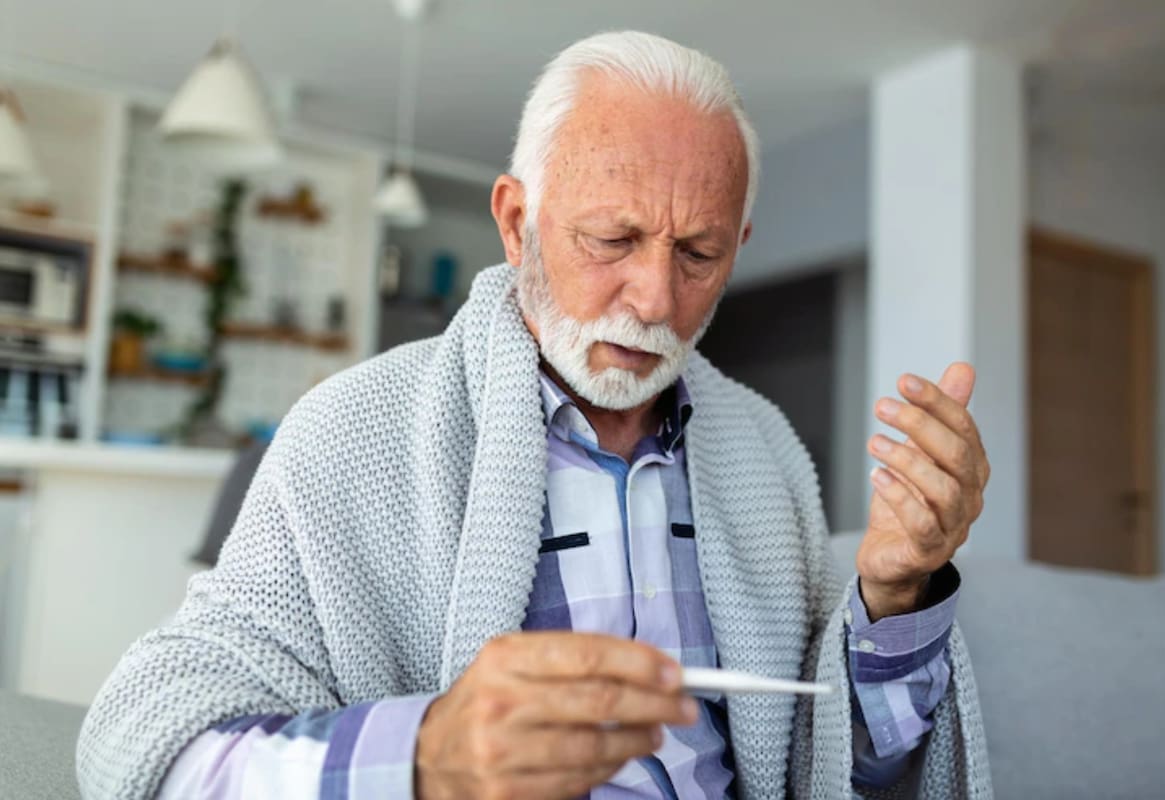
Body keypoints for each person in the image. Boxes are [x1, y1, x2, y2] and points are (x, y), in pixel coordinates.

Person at [78, 31, 991, 800]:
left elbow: (853, 771)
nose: (654, 297)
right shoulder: (350, 433)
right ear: (517, 222)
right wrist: (429, 756)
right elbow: (142, 742)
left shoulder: (767, 453)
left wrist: (896, 588)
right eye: (612, 239)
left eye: (700, 253)